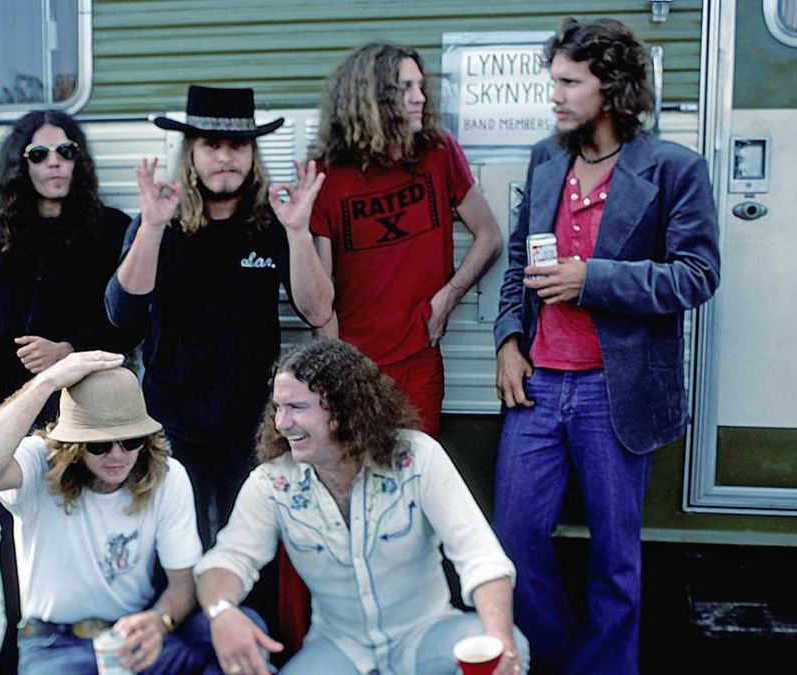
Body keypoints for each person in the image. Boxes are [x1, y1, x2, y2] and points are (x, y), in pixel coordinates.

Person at [492, 18, 720, 675]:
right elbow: (517, 262)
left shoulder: (674, 168)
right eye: (553, 80)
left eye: (569, 81)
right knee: (515, 539)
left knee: (615, 555)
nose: (555, 95)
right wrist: (510, 338)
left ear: (613, 88)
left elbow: (697, 275)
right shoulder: (545, 157)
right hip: (537, 383)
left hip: (613, 389)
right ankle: (555, 657)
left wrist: (592, 278)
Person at [195, 339, 529, 675]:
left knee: (508, 647)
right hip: (339, 649)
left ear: (343, 408)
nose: (282, 422)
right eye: (277, 408)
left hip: (426, 636)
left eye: (296, 407)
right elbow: (229, 559)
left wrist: (498, 642)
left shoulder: (417, 457)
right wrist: (221, 611)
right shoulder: (272, 483)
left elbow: (480, 555)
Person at [105, 85, 334, 546]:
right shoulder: (159, 220)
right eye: (211, 145)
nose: (225, 157)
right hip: (171, 422)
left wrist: (298, 233)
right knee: (176, 550)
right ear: (191, 154)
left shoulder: (273, 223)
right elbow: (121, 316)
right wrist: (150, 229)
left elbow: (317, 310)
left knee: (251, 550)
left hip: (252, 423)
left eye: (238, 145)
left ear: (253, 154)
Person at [0, 351, 259, 674]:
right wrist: (46, 382)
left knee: (245, 632)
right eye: (99, 445)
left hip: (133, 633)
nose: (118, 455)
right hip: (55, 645)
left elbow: (182, 584)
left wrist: (159, 621)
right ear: (73, 443)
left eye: (130, 440)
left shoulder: (166, 475)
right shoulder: (39, 462)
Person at [310, 42, 503, 436]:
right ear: (371, 98)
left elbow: (489, 236)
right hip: (355, 365)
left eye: (420, 86)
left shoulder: (438, 151)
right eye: (405, 88)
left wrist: (449, 296)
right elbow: (321, 300)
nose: (420, 98)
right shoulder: (327, 171)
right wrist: (338, 372)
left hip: (420, 360)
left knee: (413, 478)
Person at [0, 109, 135, 424]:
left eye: (65, 152)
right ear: (22, 165)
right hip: (10, 394)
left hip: (86, 395)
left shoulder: (112, 228)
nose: (54, 162)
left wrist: (67, 350)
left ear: (78, 160)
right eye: (39, 154)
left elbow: (128, 322)